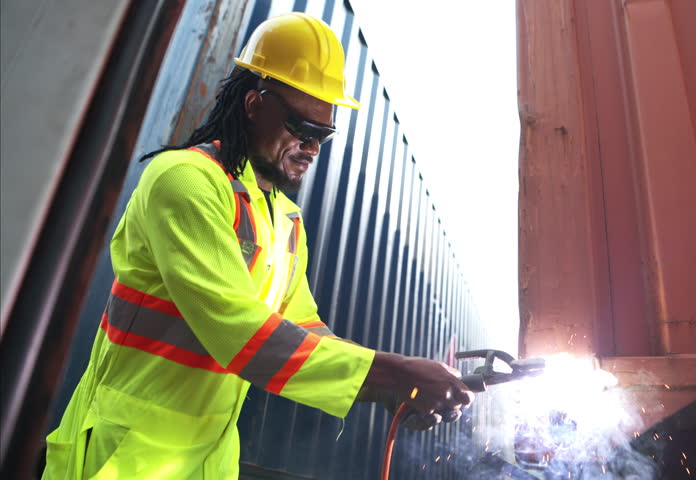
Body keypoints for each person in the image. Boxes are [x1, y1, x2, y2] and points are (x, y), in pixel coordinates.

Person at [42, 13, 473, 479]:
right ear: (253, 104)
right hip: (124, 457)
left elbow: (304, 327)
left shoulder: (284, 221)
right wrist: (391, 374)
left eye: (322, 135)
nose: (311, 146)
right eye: (301, 127)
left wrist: (388, 387)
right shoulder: (185, 181)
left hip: (205, 461)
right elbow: (241, 331)